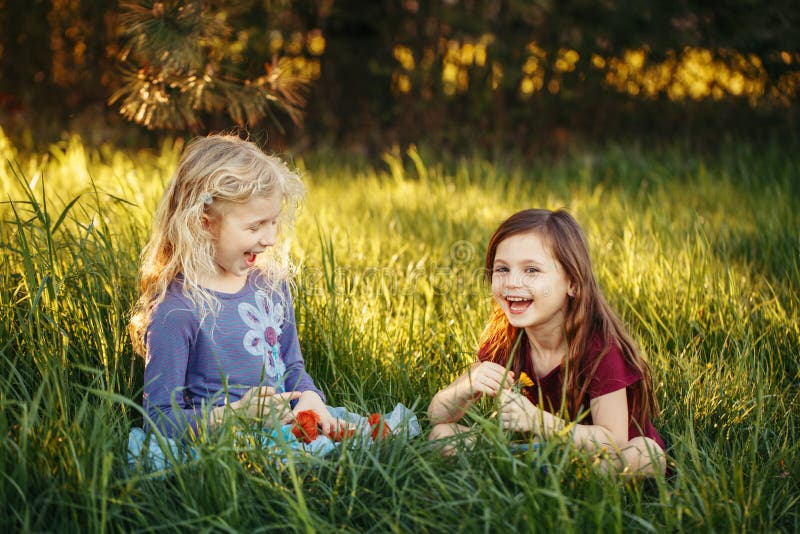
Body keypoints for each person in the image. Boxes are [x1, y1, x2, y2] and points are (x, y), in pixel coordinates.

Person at [129, 134, 340, 440]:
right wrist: (236, 416)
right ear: (204, 223)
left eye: (273, 222)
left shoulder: (271, 285)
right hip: (223, 443)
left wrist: (310, 399)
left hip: (287, 430)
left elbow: (292, 366)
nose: (270, 239)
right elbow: (159, 420)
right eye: (255, 226)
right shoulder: (178, 310)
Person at [427, 208, 666, 475]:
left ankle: (556, 476)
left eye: (531, 270)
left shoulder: (600, 348)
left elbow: (614, 440)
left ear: (573, 283)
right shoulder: (506, 339)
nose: (513, 282)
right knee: (441, 435)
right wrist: (465, 388)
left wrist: (536, 421)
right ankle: (537, 472)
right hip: (538, 449)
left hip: (598, 455)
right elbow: (437, 416)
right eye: (502, 269)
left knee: (648, 454)